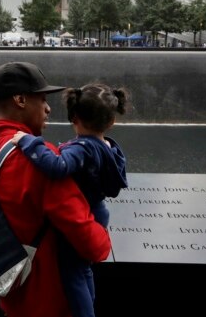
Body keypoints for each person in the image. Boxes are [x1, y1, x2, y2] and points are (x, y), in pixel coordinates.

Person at [0, 62, 111, 317]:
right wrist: (104, 235)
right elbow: (92, 243)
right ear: (20, 100)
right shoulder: (40, 162)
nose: (48, 108)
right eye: (42, 99)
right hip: (54, 300)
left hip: (10, 291)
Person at [11, 83, 129, 317]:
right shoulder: (109, 149)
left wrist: (28, 142)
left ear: (74, 117)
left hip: (82, 215)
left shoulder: (82, 149)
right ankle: (90, 302)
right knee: (82, 268)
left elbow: (57, 166)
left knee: (71, 272)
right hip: (99, 211)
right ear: (111, 122)